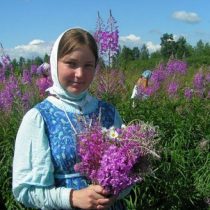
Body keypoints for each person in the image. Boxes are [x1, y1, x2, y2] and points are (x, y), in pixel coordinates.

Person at [12, 28, 130, 209]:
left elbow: (128, 173)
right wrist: (72, 198)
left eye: (88, 65)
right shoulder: (39, 118)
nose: (80, 74)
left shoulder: (108, 112)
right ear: (54, 64)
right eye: (71, 63)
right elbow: (25, 190)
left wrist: (113, 195)